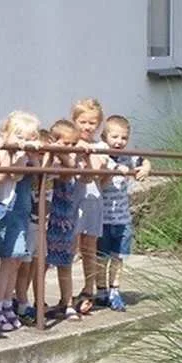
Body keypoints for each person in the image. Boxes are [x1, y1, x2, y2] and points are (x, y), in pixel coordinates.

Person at [0, 111, 40, 330]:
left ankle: (8, 303)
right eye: (21, 137)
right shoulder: (4, 150)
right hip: (6, 209)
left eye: (30, 138)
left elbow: (36, 173)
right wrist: (17, 151)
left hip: (22, 210)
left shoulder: (26, 155)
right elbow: (15, 175)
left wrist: (34, 155)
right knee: (7, 261)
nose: (25, 142)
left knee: (16, 261)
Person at [96, 115, 151, 311]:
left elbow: (144, 160)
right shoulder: (101, 152)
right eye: (115, 137)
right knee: (101, 256)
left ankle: (114, 290)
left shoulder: (128, 156)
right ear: (105, 137)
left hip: (122, 217)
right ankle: (101, 290)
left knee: (118, 256)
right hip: (103, 217)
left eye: (123, 138)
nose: (119, 142)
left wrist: (145, 167)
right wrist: (115, 168)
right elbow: (103, 163)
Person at [46, 119, 84, 321]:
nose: (70, 148)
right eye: (66, 143)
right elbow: (64, 172)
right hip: (48, 217)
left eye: (73, 144)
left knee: (65, 262)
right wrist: (57, 151)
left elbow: (73, 171)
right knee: (40, 263)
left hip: (66, 219)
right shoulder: (52, 159)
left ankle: (67, 302)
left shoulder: (72, 160)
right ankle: (35, 301)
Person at [71, 98, 107, 315]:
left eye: (92, 123)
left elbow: (95, 173)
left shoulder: (100, 147)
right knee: (69, 246)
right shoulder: (69, 143)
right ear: (74, 121)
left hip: (92, 201)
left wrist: (88, 153)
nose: (87, 127)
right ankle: (67, 295)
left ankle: (88, 287)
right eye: (82, 122)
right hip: (72, 201)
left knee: (89, 247)